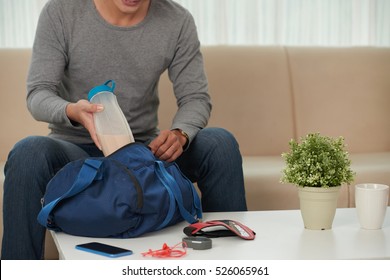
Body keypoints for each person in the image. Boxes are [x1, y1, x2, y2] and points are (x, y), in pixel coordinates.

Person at [1, 0, 247, 260]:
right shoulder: (61, 11)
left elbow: (195, 97)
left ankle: (230, 264)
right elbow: (38, 94)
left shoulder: (177, 20)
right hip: (78, 153)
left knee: (220, 143)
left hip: (143, 153)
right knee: (28, 152)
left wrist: (180, 134)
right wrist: (73, 111)